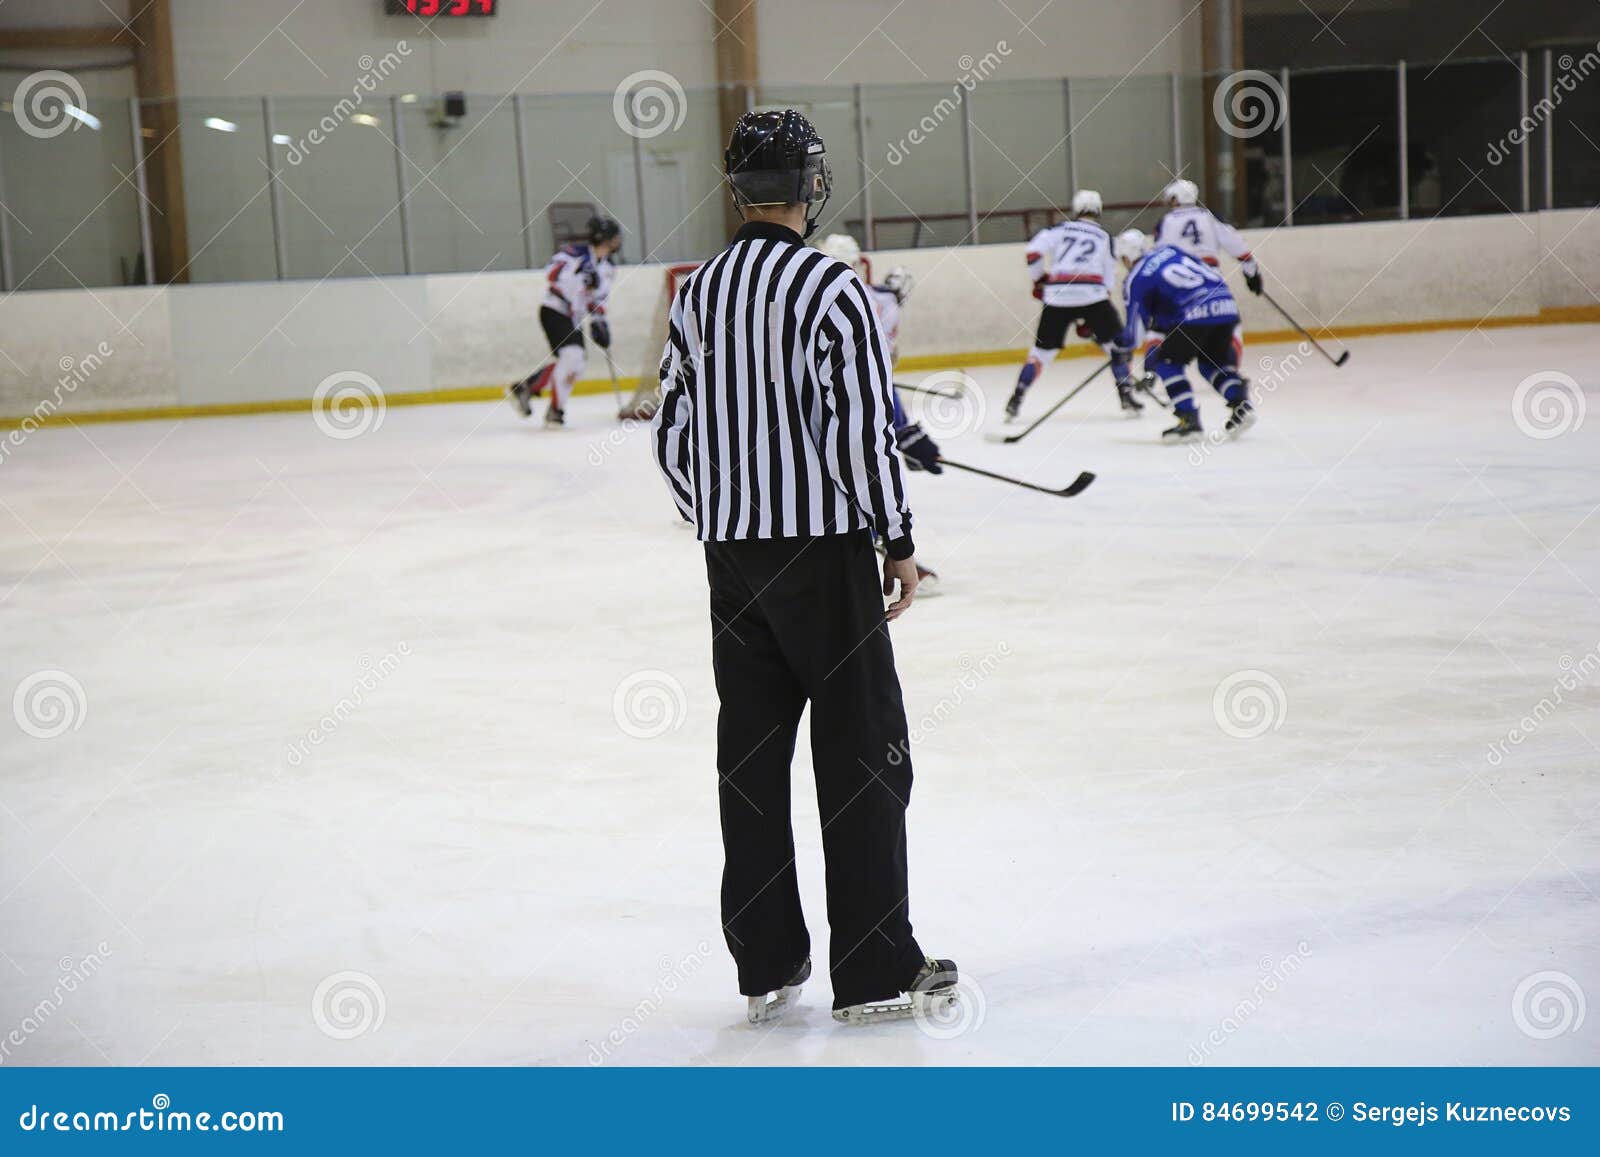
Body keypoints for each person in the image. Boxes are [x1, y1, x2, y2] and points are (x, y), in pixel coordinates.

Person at [649, 108, 958, 1026]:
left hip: (730, 560)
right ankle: (872, 970)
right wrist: (898, 541)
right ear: (810, 186)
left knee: (749, 758)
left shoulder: (698, 293)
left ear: (738, 186)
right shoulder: (833, 289)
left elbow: (670, 432)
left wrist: (717, 517)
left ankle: (766, 966)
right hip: (824, 559)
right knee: (865, 756)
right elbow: (861, 432)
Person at [1005, 189, 1141, 422]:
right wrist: (1092, 317)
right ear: (1098, 210)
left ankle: (1016, 397)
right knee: (1116, 347)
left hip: (1057, 296)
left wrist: (1039, 280)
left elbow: (1033, 253)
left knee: (1041, 354)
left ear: (1076, 209)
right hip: (1093, 295)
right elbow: (1109, 278)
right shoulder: (1104, 237)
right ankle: (1126, 394)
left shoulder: (1058, 230)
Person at [1114, 229, 1254, 443]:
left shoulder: (1136, 278)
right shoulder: (1171, 250)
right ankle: (1241, 406)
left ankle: (1188, 420)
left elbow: (1134, 331)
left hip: (1193, 315)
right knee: (1211, 364)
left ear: (1126, 257)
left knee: (1167, 363)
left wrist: (1121, 346)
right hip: (1226, 305)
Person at [508, 215, 621, 427]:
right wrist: (580, 277)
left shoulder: (607, 268)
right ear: (603, 237)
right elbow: (551, 275)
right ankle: (555, 412)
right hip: (554, 310)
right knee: (572, 356)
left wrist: (599, 321)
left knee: (576, 365)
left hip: (573, 318)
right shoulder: (573, 254)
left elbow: (597, 298)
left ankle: (526, 388)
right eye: (614, 237)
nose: (617, 241)